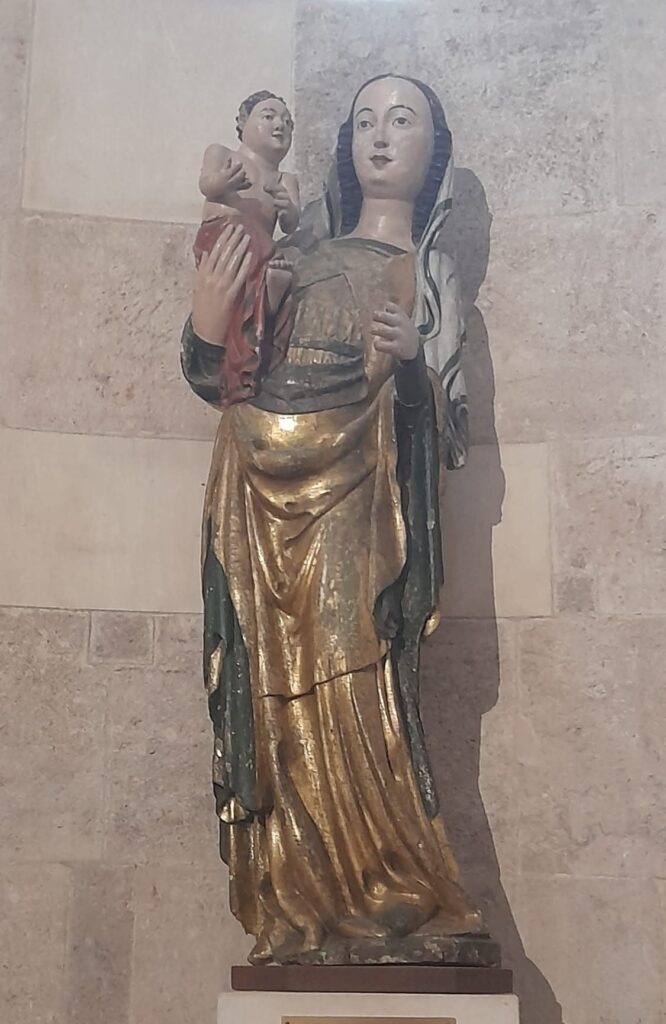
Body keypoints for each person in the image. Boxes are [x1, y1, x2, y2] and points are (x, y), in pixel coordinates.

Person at [181, 75, 495, 967]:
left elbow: (447, 437)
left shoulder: (430, 277)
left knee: (362, 688)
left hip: (363, 509)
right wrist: (208, 321)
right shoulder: (301, 254)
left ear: (434, 151)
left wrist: (413, 368)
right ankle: (300, 896)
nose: (380, 137)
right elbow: (218, 374)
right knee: (277, 703)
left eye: (403, 121)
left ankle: (392, 889)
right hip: (259, 497)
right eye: (364, 122)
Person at [193, 91, 300, 405]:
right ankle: (240, 359)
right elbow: (207, 185)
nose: (280, 125)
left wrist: (287, 207)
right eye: (269, 116)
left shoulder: (285, 179)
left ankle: (264, 322)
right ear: (242, 121)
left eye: (288, 122)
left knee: (287, 271)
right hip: (223, 239)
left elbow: (291, 223)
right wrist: (223, 183)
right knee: (253, 246)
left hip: (261, 251)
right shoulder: (223, 153)